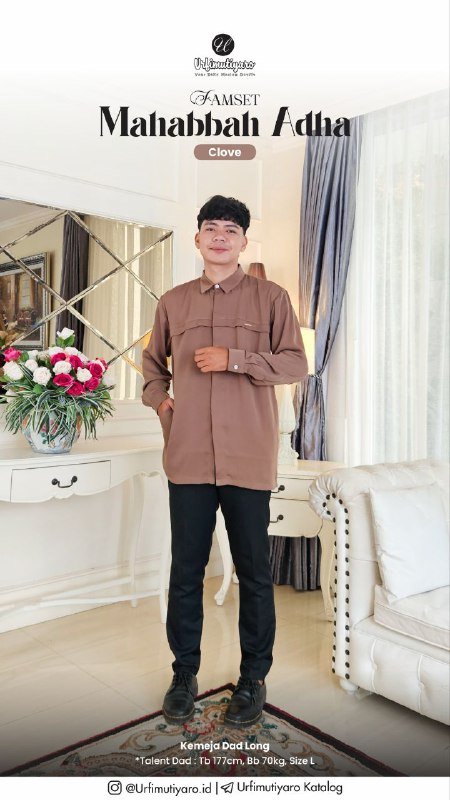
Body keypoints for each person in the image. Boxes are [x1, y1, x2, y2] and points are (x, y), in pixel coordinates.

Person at [142, 195, 308, 727]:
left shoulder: (272, 298)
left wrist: (234, 360)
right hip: (188, 455)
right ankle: (183, 673)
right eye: (211, 228)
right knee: (186, 570)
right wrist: (162, 403)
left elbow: (295, 365)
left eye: (230, 230)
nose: (220, 237)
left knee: (254, 573)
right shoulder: (172, 302)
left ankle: (253, 678)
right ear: (197, 239)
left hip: (247, 456)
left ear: (242, 241)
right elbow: (151, 365)